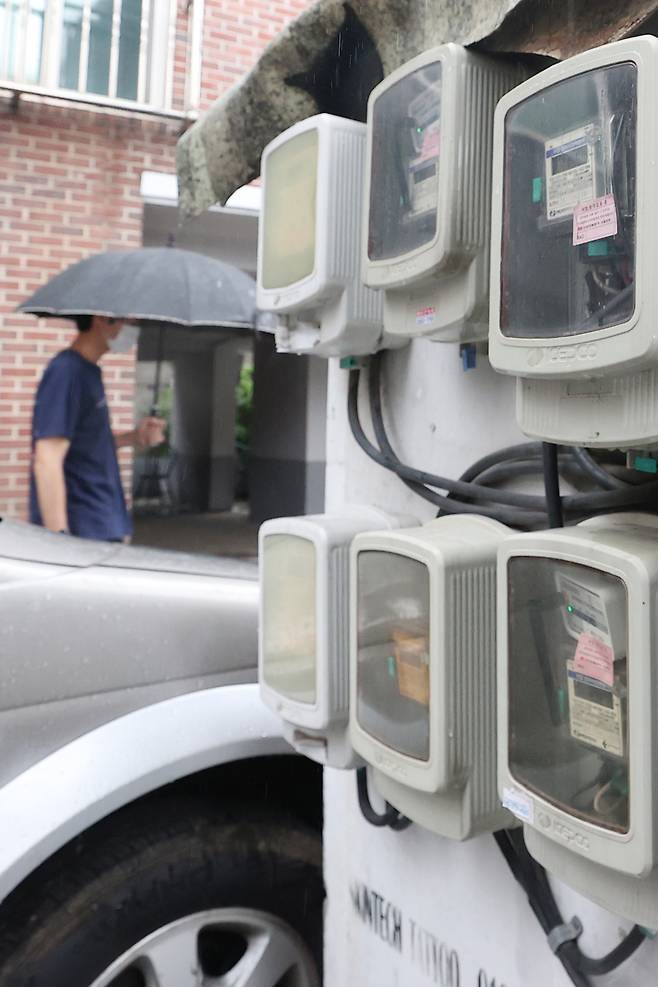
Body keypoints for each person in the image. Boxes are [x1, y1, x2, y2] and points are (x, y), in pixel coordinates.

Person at [30, 314, 166, 542]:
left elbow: (87, 445)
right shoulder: (66, 371)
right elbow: (47, 459)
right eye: (131, 323)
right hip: (82, 530)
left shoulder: (89, 372)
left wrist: (134, 436)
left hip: (102, 524)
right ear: (102, 319)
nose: (134, 331)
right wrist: (58, 541)